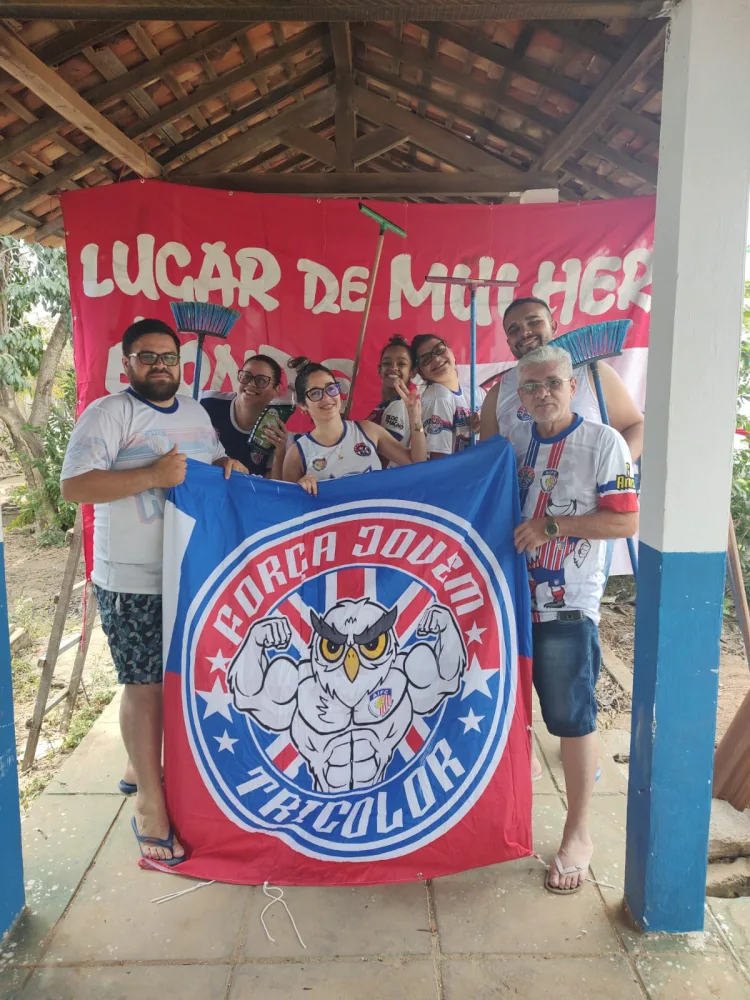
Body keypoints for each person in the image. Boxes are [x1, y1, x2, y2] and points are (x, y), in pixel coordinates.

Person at [60, 318, 247, 866]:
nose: (160, 365)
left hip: (191, 571)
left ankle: (135, 766)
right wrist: (150, 476)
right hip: (133, 577)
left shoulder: (193, 412)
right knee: (144, 686)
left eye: (168, 357)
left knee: (178, 681)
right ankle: (149, 806)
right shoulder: (109, 414)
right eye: (148, 357)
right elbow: (74, 486)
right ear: (128, 364)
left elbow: (206, 466)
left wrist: (227, 465)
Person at [508, 345, 638, 894]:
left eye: (552, 383)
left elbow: (625, 523)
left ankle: (578, 834)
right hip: (510, 603)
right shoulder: (514, 440)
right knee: (514, 719)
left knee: (572, 720)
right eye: (532, 386)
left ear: (573, 385)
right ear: (520, 396)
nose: (542, 394)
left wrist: (552, 528)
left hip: (566, 607)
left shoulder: (602, 443)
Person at [480, 297, 644, 462]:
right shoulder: (498, 393)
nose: (524, 332)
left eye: (534, 322)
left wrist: (617, 468)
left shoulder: (592, 372)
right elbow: (487, 458)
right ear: (508, 342)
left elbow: (636, 427)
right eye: (514, 329)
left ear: (553, 326)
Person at [283, 357, 426, 495]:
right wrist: (300, 487)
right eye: (315, 393)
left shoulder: (368, 431)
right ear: (302, 405)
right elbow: (288, 508)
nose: (326, 397)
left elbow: (417, 465)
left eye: (331, 388)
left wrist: (415, 417)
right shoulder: (296, 454)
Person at [201, 355, 288, 480]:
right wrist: (219, 463)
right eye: (246, 376)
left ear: (276, 390)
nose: (251, 384)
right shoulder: (206, 402)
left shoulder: (275, 430)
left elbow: (273, 487)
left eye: (262, 380)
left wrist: (280, 455)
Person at [411, 334, 484, 458]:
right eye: (425, 359)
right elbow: (439, 462)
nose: (436, 359)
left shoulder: (477, 392)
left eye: (439, 350)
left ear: (451, 352)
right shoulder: (437, 397)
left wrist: (485, 423)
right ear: (420, 372)